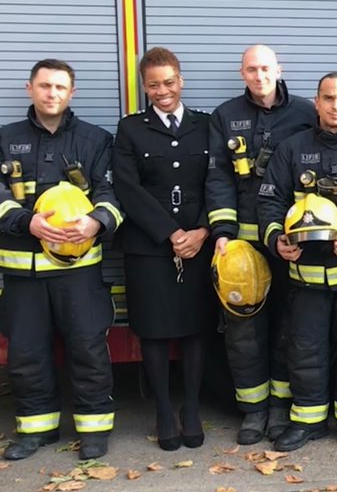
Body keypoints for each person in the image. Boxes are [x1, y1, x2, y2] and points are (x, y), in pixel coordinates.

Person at [257, 73, 337, 451]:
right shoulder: (291, 149)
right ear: (316, 102)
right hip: (307, 278)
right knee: (305, 349)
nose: (335, 105)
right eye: (328, 98)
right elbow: (268, 202)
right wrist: (276, 241)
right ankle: (308, 421)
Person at [0, 60, 124, 461]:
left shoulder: (94, 140)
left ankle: (94, 429)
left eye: (59, 87)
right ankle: (36, 429)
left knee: (88, 349)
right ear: (29, 89)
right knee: (26, 354)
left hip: (80, 273)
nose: (51, 93)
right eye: (44, 86)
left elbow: (113, 191)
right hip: (23, 274)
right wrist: (25, 221)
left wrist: (97, 221)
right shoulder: (4, 139)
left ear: (72, 93)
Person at [207, 45, 316, 445]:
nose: (259, 75)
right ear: (242, 73)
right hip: (240, 245)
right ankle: (253, 411)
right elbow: (217, 176)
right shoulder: (226, 116)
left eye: (265, 68)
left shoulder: (305, 112)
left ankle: (280, 408)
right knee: (243, 333)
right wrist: (222, 231)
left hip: (289, 242)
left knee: (290, 329)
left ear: (278, 70)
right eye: (251, 69)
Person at [113, 48, 216, 450]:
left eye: (169, 82)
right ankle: (162, 410)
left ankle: (190, 408)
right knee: (153, 331)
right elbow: (127, 187)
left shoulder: (206, 125)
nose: (162, 91)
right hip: (150, 247)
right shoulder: (130, 129)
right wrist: (171, 233)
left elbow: (218, 182)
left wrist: (203, 230)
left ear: (181, 81)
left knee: (196, 328)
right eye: (153, 84)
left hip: (199, 245)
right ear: (143, 86)